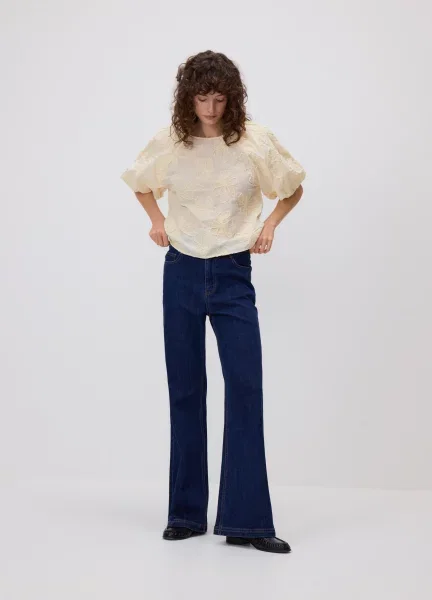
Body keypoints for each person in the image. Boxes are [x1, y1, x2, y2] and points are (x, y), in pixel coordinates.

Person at [120, 50, 306, 554]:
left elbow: (293, 187)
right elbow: (139, 182)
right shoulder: (171, 142)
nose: (209, 108)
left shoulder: (253, 141)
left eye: (219, 98)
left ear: (232, 99)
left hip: (232, 272)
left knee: (245, 387)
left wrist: (269, 226)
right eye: (201, 98)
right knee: (185, 389)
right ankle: (184, 514)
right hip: (181, 270)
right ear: (188, 98)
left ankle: (247, 521)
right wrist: (156, 221)